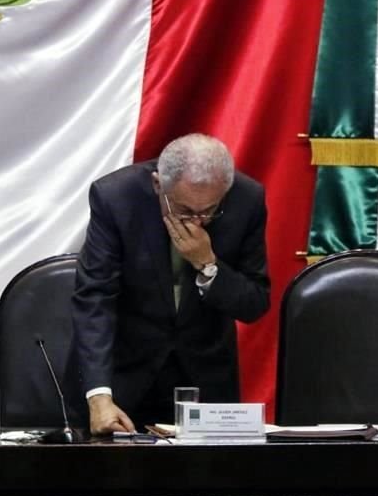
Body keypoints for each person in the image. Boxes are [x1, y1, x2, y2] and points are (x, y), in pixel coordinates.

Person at [71, 133, 270, 434]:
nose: (196, 222)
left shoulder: (247, 199)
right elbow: (95, 298)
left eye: (209, 211)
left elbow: (254, 303)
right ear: (157, 185)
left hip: (205, 383)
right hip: (122, 379)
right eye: (185, 210)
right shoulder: (116, 197)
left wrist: (208, 265)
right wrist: (99, 395)